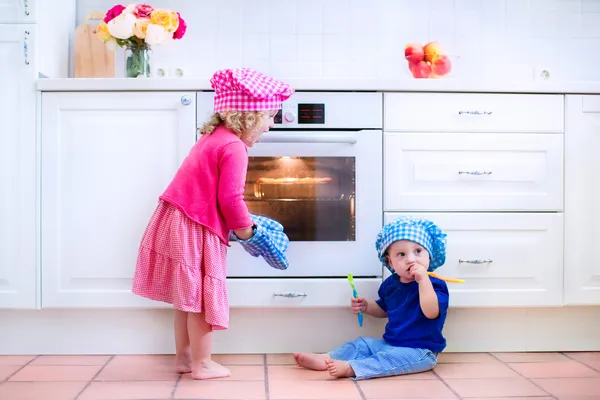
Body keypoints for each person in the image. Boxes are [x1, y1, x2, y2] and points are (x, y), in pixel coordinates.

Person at [132, 68, 294, 380]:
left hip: (176, 218)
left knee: (186, 297)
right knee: (203, 299)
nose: (271, 125)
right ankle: (202, 364)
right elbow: (231, 199)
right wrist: (247, 232)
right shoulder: (234, 146)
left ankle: (185, 356)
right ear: (248, 116)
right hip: (196, 224)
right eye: (270, 116)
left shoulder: (212, 138)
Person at [294, 216, 450, 380]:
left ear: (429, 256)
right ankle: (327, 358)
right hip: (390, 344)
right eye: (401, 254)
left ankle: (351, 368)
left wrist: (423, 281)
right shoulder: (391, 284)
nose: (411, 259)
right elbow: (384, 309)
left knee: (385, 360)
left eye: (418, 251)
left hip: (421, 351)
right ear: (390, 263)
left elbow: (431, 312)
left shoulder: (435, 284)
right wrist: (367, 306)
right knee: (362, 344)